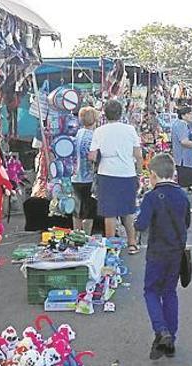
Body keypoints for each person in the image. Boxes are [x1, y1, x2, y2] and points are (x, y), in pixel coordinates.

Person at [134, 153, 191, 360]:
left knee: (150, 291)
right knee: (169, 292)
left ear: (153, 175)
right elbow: (186, 223)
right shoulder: (182, 195)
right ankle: (171, 339)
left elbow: (141, 224)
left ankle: (161, 330)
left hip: (157, 252)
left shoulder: (151, 197)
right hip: (176, 252)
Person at [89, 99, 144, 254]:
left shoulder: (99, 131)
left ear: (105, 114)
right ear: (121, 113)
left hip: (106, 174)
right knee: (128, 210)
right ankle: (132, 243)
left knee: (110, 212)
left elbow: (92, 156)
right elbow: (138, 155)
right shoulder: (130, 130)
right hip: (127, 173)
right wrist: (138, 172)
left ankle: (111, 246)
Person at [71, 106, 99, 234]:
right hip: (88, 177)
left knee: (77, 208)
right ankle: (86, 236)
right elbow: (92, 157)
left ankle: (77, 234)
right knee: (88, 210)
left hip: (75, 176)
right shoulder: (93, 136)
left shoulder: (78, 134)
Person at [171, 105, 192, 189]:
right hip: (183, 159)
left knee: (190, 182)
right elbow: (184, 142)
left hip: (189, 158)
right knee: (185, 183)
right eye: (190, 114)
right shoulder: (180, 125)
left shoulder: (188, 124)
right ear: (183, 115)